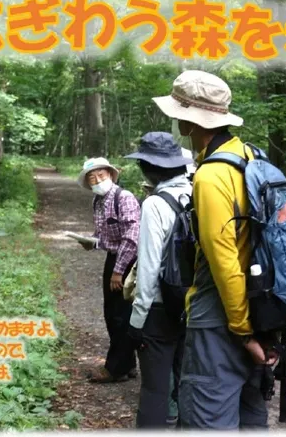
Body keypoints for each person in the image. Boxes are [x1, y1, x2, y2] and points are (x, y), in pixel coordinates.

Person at [151, 70, 278, 429]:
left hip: (221, 319)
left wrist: (243, 332)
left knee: (206, 419)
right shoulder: (252, 156)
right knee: (252, 414)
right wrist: (260, 329)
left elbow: (224, 260)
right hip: (261, 303)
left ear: (189, 121)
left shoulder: (210, 175)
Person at [123, 132, 193, 429]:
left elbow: (149, 268)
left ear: (149, 168)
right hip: (193, 304)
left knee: (154, 389)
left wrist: (136, 322)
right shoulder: (197, 193)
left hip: (161, 308)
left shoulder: (154, 204)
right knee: (187, 384)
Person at [77, 157, 141, 383]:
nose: (97, 181)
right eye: (92, 178)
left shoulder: (124, 198)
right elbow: (102, 235)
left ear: (111, 175)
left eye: (101, 175)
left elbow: (132, 237)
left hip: (128, 262)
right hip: (112, 259)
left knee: (121, 316)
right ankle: (127, 363)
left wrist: (118, 271)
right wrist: (91, 242)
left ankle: (115, 369)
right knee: (111, 313)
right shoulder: (98, 201)